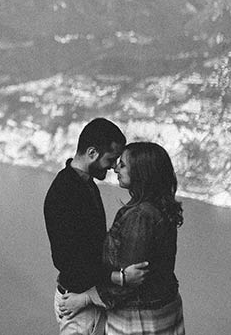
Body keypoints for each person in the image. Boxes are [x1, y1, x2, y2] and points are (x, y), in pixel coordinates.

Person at [57, 142, 185, 335]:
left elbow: (133, 280)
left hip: (139, 317)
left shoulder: (140, 216)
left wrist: (86, 298)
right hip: (164, 309)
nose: (115, 168)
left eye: (122, 165)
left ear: (141, 172)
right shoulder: (159, 207)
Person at [44, 118, 149, 335]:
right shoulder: (64, 194)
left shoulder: (85, 184)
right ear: (92, 153)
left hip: (88, 300)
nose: (113, 166)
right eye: (110, 159)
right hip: (77, 306)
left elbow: (92, 246)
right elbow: (66, 260)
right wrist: (118, 277)